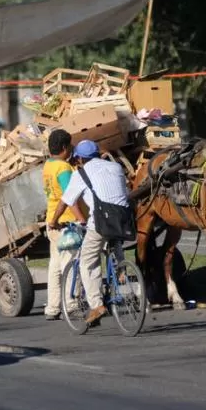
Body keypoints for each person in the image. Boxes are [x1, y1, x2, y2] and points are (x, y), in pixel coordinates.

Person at [55, 139, 131, 325]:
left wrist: (53, 221)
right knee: (113, 240)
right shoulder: (116, 167)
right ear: (98, 153)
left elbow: (66, 201)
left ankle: (97, 304)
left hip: (101, 221)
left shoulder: (80, 173)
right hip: (124, 219)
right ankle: (121, 268)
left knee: (88, 260)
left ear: (80, 158)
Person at [42, 129, 76, 321]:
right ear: (64, 147)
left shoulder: (48, 165)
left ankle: (53, 307)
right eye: (70, 145)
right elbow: (69, 196)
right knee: (69, 263)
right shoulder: (63, 168)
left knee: (54, 265)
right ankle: (69, 305)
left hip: (52, 222)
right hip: (66, 222)